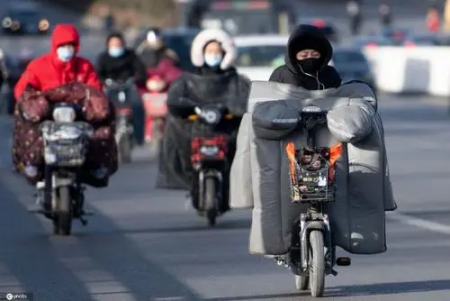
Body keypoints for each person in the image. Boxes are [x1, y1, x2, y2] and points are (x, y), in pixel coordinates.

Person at [12, 24, 117, 190]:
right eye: (63, 45)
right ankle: (32, 164)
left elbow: (95, 90)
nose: (67, 49)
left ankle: (96, 167)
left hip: (78, 113)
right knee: (27, 124)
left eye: (71, 45)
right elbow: (22, 90)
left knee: (102, 125)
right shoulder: (38, 66)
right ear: (55, 46)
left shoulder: (85, 67)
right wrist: (34, 104)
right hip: (47, 113)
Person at [156, 28, 250, 213]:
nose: (213, 55)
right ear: (201, 53)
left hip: (227, 130)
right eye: (209, 52)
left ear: (225, 54)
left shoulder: (237, 80)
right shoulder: (187, 79)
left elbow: (246, 101)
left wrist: (230, 109)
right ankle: (191, 183)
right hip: (195, 130)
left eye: (217, 52)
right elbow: (175, 100)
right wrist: (191, 109)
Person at [97, 32, 147, 145]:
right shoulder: (103, 58)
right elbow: (98, 74)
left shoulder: (131, 56)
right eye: (113, 45)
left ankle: (139, 136)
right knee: (103, 108)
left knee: (138, 105)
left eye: (118, 44)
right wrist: (104, 82)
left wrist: (136, 79)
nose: (116, 47)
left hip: (128, 86)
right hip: (111, 87)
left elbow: (140, 71)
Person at [269, 24, 342, 90]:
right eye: (304, 55)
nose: (309, 58)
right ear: (294, 56)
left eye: (315, 55)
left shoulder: (330, 74)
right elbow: (270, 98)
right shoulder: (281, 74)